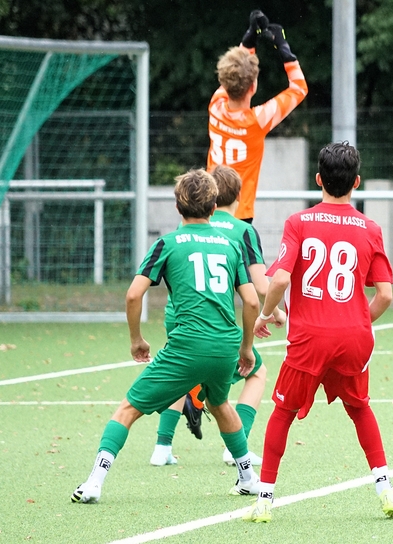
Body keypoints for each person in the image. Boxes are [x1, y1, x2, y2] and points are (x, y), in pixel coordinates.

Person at [71, 169, 261, 504]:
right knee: (219, 403)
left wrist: (136, 340)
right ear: (214, 206)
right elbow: (252, 302)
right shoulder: (232, 245)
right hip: (224, 346)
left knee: (128, 409)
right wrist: (245, 347)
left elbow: (133, 295)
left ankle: (94, 482)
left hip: (187, 346)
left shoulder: (168, 243)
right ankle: (248, 477)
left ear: (177, 207)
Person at [241, 142, 393, 523]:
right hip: (353, 339)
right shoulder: (370, 228)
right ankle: (386, 489)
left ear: (318, 179)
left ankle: (264, 499)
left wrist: (265, 315)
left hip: (310, 339)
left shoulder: (299, 223)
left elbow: (279, 279)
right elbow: (385, 295)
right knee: (359, 408)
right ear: (357, 182)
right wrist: (356, 321)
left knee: (283, 411)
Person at [149, 166, 269, 470]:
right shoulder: (242, 231)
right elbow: (259, 287)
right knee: (257, 372)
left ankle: (162, 446)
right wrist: (274, 312)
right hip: (215, 323)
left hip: (177, 315)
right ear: (239, 196)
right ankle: (236, 447)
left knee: (180, 373)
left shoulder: (186, 227)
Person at [207, 10, 308, 223]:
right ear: (253, 87)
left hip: (208, 208)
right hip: (240, 214)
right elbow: (299, 88)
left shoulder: (216, 106)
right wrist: (283, 47)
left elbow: (234, 73)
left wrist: (249, 37)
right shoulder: (257, 120)